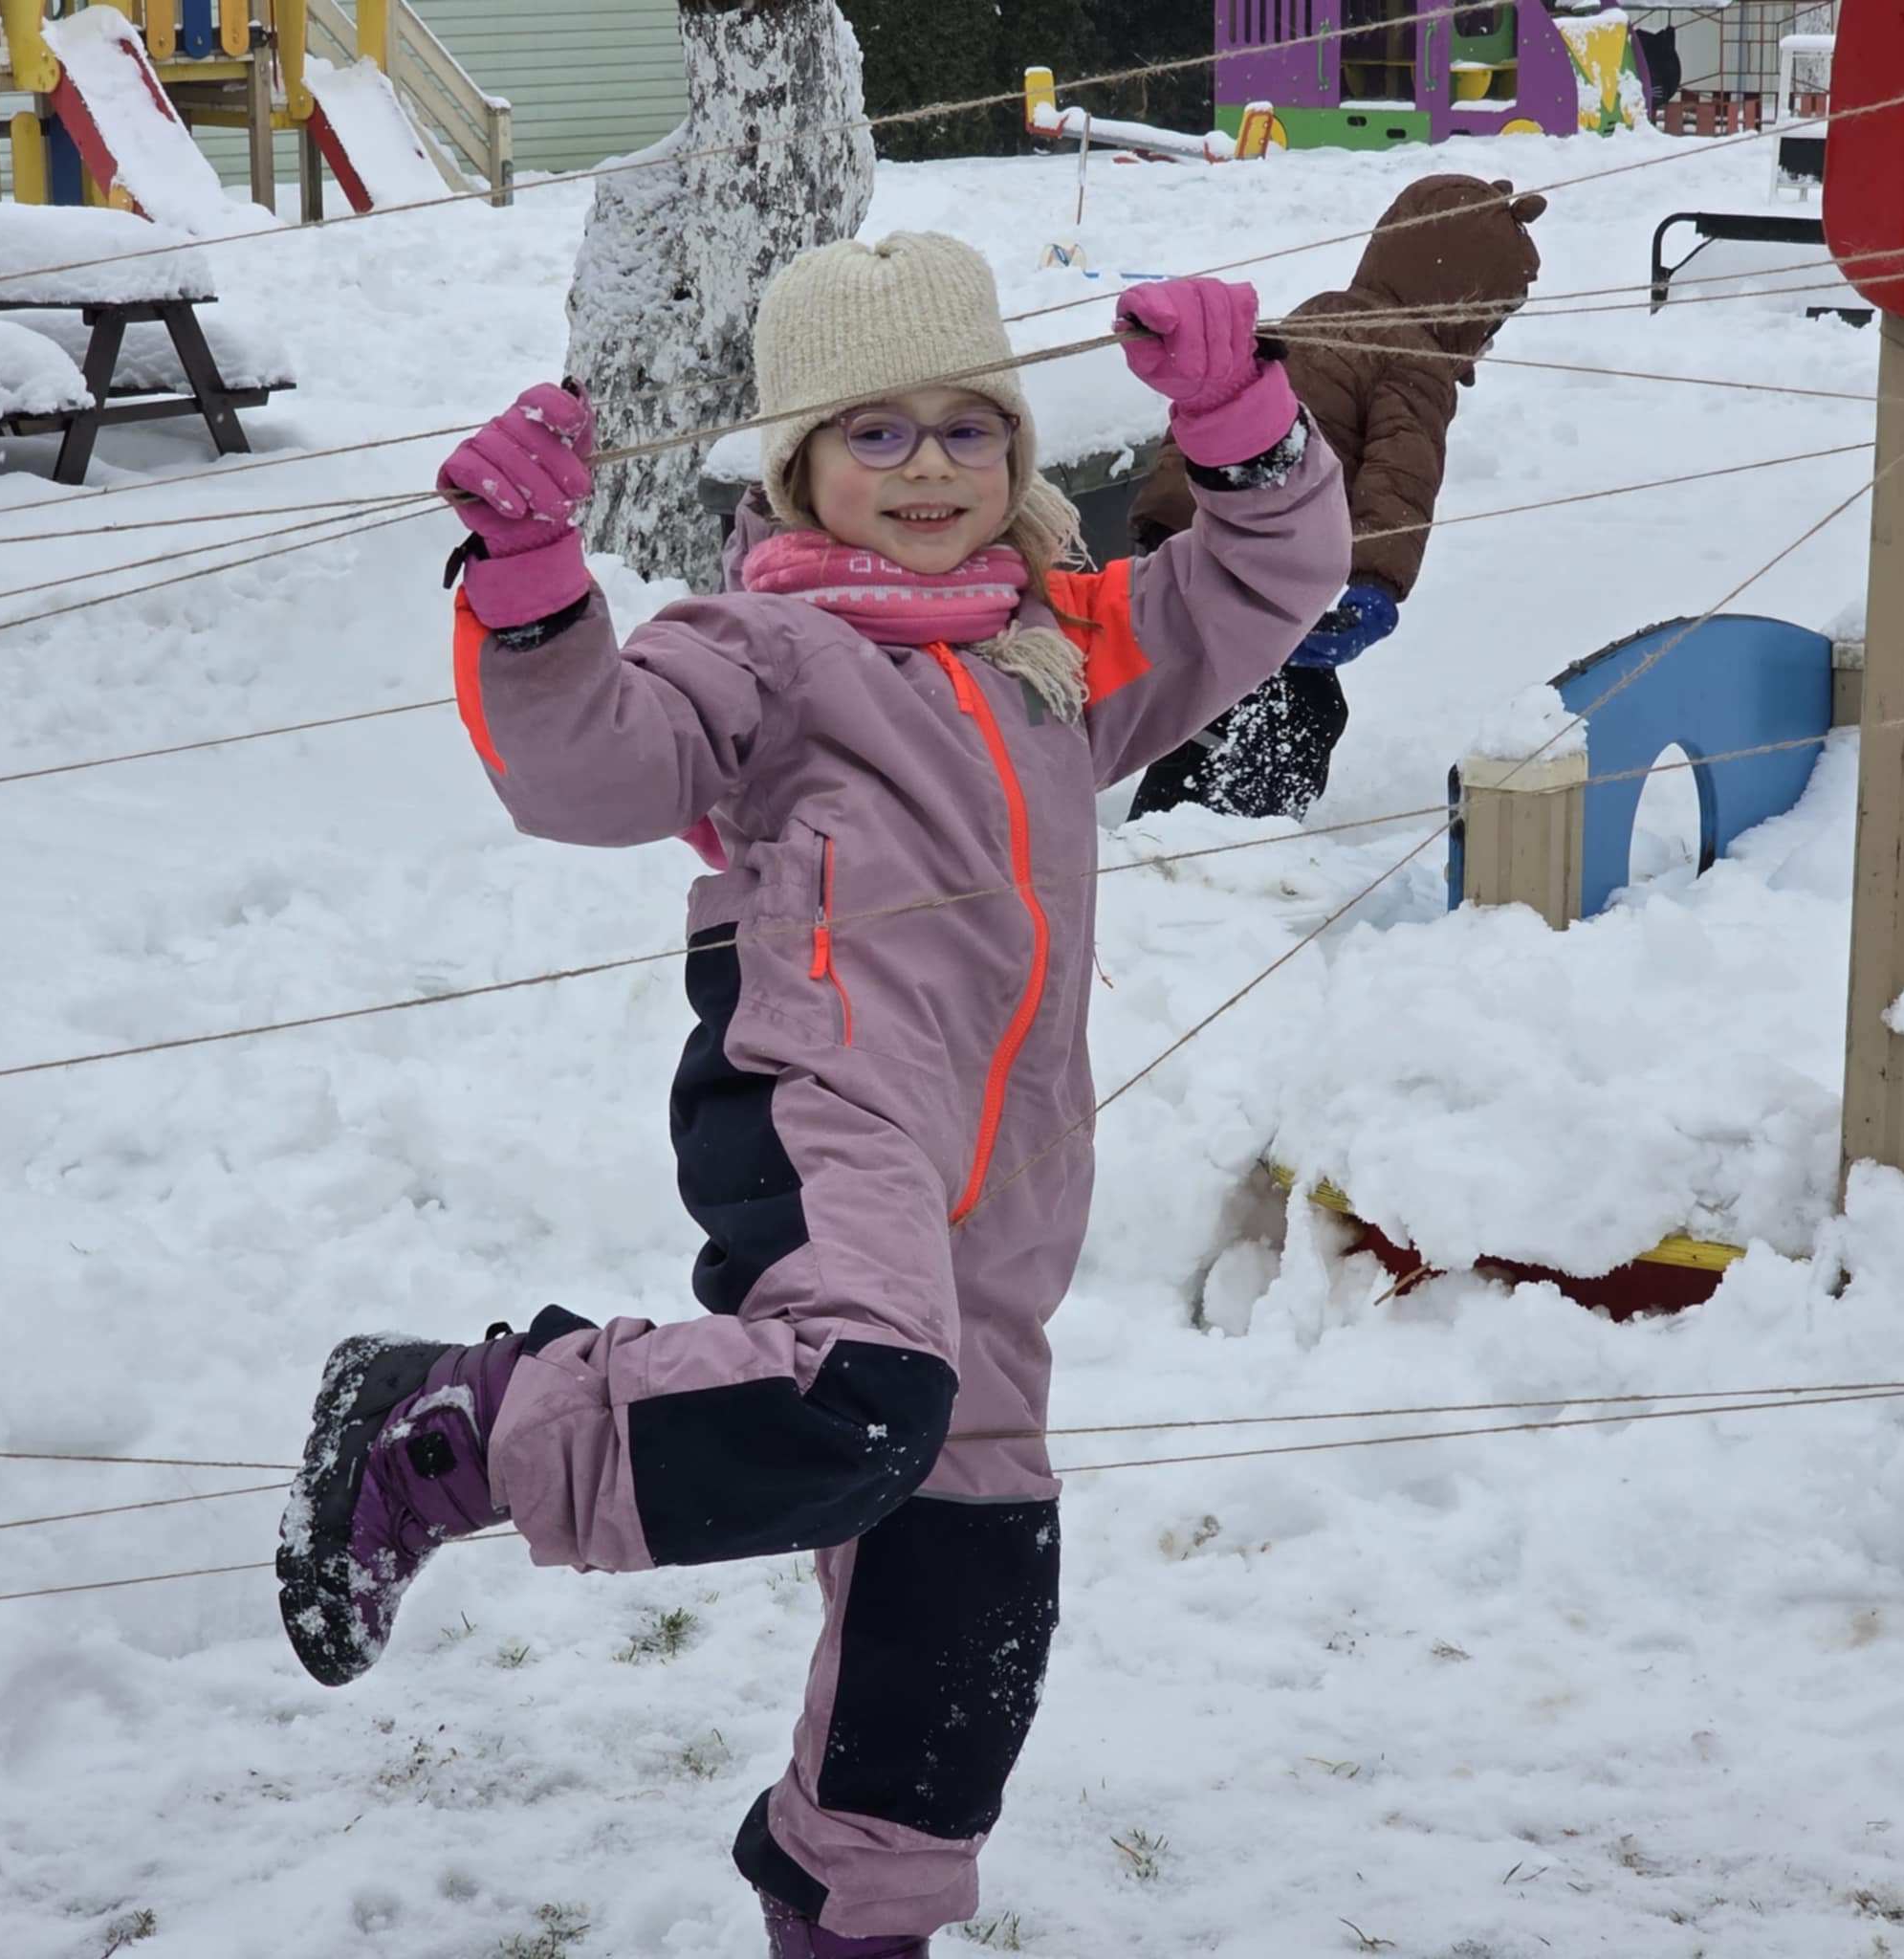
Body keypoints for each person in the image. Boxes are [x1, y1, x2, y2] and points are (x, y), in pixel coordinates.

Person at [277, 232, 1348, 1958]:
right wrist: (531, 588)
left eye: (967, 428)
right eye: (875, 431)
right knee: (854, 1396)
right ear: (797, 463)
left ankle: (854, 1916)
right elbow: (589, 767)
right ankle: (454, 1425)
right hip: (822, 1093)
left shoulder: (1055, 650)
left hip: (1006, 1187)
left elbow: (1265, 578)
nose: (930, 467)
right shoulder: (762, 649)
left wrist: (1240, 423)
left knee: (970, 1586)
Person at [1125, 174, 1546, 825]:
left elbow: (1233, 399)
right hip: (1261, 552)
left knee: (1213, 688)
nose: (1489, 339)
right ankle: (1226, 841)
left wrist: (1160, 522)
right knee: (1297, 707)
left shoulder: (1319, 313)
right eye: (1492, 319)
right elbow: (1398, 477)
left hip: (1194, 525)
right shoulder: (1412, 359)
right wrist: (1376, 582)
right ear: (1462, 302)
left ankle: (1174, 824)